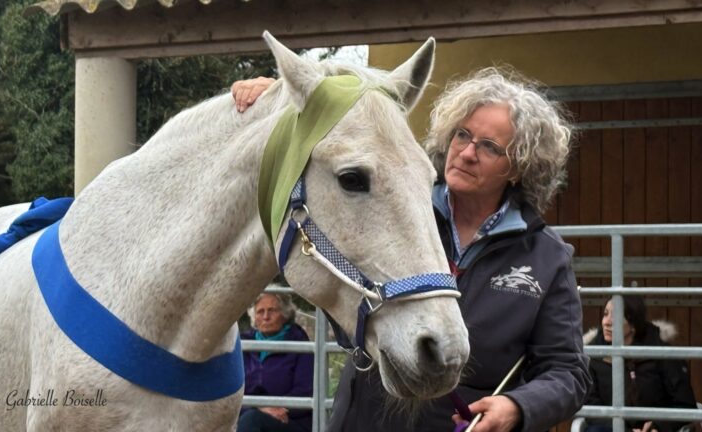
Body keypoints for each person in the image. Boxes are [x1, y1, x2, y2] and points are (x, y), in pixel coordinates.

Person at [232, 67, 590, 432]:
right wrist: (285, 102)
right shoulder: (393, 205)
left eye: (489, 147)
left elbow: (568, 373)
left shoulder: (545, 257)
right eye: (462, 135)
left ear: (519, 167)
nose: (467, 153)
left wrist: (517, 407)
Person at [584, 297, 697, 432]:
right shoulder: (594, 355)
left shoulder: (663, 354)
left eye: (616, 316)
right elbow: (591, 408)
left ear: (633, 324)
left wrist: (658, 425)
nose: (606, 322)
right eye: (605, 314)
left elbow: (685, 404)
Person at [238, 293, 313, 432]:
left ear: (285, 314)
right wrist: (259, 408)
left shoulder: (300, 344)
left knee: (251, 420)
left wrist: (278, 408)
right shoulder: (244, 344)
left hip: (289, 419)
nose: (266, 317)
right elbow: (234, 390)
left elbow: (305, 390)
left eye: (272, 310)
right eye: (260, 312)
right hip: (248, 415)